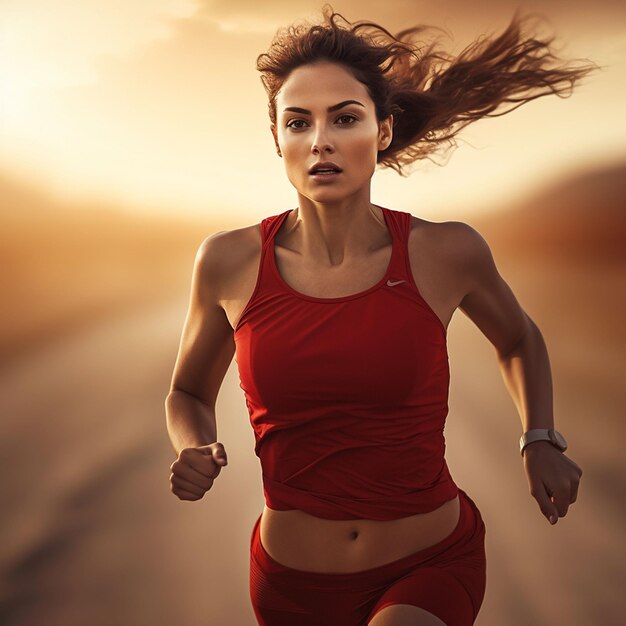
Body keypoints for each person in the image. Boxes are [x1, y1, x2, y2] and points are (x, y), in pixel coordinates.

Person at [165, 5, 596, 625]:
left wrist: (540, 438)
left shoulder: (445, 251)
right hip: (291, 587)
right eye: (298, 122)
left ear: (383, 131)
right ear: (278, 141)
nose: (321, 141)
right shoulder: (227, 261)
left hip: (426, 565)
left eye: (345, 118)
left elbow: (518, 338)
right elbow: (186, 390)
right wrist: (195, 443)